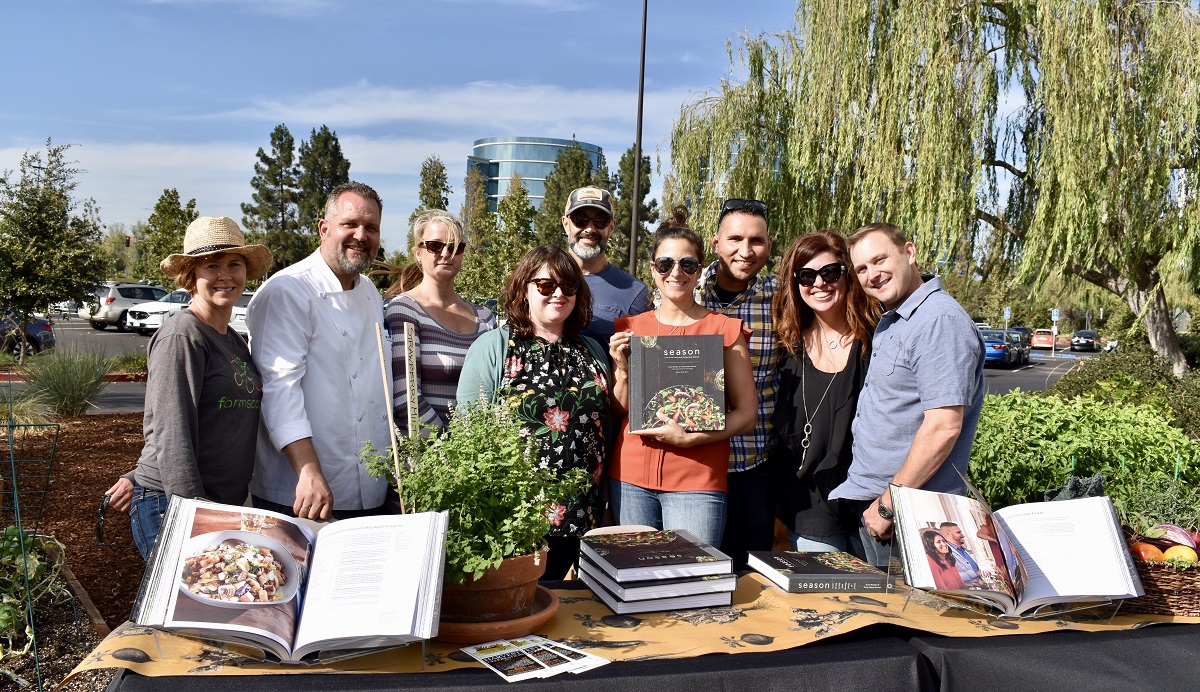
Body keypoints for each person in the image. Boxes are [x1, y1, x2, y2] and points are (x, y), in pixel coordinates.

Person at [104, 216, 273, 559]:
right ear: (191, 276)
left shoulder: (235, 343)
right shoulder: (183, 335)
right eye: (212, 265)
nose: (225, 275)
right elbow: (171, 429)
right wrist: (194, 514)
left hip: (217, 503)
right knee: (177, 608)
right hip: (174, 503)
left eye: (234, 264)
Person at [829, 223, 985, 567]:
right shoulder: (901, 319)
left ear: (910, 253)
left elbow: (943, 426)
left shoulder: (937, 321)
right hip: (886, 509)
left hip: (907, 517)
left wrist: (888, 505)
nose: (873, 274)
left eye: (880, 259)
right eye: (862, 269)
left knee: (906, 618)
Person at [457, 245, 613, 580]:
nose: (558, 293)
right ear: (524, 289)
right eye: (545, 285)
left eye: (568, 286)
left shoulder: (592, 350)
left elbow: (606, 427)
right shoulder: (495, 347)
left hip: (581, 513)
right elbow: (468, 430)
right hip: (515, 516)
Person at [607, 211, 758, 546]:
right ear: (652, 269)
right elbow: (619, 413)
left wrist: (694, 439)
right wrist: (622, 371)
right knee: (634, 581)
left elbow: (747, 415)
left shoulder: (723, 331)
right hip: (630, 478)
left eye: (687, 264)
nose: (676, 272)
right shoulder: (630, 330)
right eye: (665, 264)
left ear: (699, 269)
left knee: (692, 585)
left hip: (696, 479)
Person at [248, 181, 393, 521]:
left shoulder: (370, 292)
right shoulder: (289, 290)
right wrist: (308, 471)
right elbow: (279, 388)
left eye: (371, 228)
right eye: (350, 224)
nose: (361, 235)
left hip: (369, 489)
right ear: (324, 229)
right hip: (300, 492)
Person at [770, 230, 879, 553]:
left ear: (847, 274)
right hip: (809, 507)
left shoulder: (877, 339)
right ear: (796, 283)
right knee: (824, 603)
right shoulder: (786, 343)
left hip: (868, 505)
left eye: (829, 272)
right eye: (806, 275)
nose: (819, 283)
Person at [696, 198, 778, 568]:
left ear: (769, 245)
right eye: (735, 239)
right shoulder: (682, 290)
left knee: (749, 578)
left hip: (752, 463)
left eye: (756, 241)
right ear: (715, 242)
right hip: (693, 461)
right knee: (692, 574)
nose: (746, 251)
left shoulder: (783, 300)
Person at [381, 210, 497, 436]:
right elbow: (406, 400)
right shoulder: (405, 310)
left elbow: (498, 392)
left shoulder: (486, 318)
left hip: (482, 459)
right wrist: (449, 453)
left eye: (455, 247)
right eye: (435, 245)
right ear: (417, 253)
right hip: (429, 461)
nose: (446, 253)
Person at [561, 186, 651, 343]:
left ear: (611, 227)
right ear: (566, 224)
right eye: (580, 220)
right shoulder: (541, 283)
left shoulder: (634, 293)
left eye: (600, 221)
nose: (589, 229)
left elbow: (642, 360)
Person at [940, 522, 982, 587]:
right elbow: (950, 576)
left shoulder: (962, 549)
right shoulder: (945, 553)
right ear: (949, 534)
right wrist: (975, 574)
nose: (963, 535)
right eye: (958, 532)